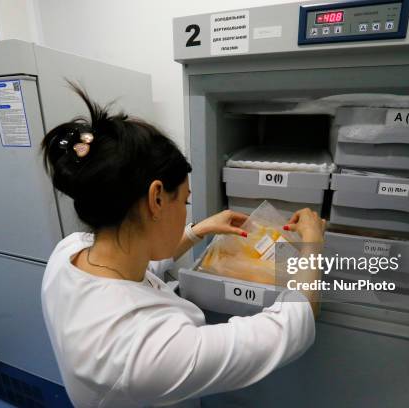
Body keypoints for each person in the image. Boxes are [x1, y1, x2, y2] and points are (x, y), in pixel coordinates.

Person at [40, 84, 325, 407]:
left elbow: (134, 272)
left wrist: (195, 232)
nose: (187, 211)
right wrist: (312, 243)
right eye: (186, 201)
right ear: (156, 198)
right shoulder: (147, 354)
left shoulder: (69, 252)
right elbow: (291, 324)